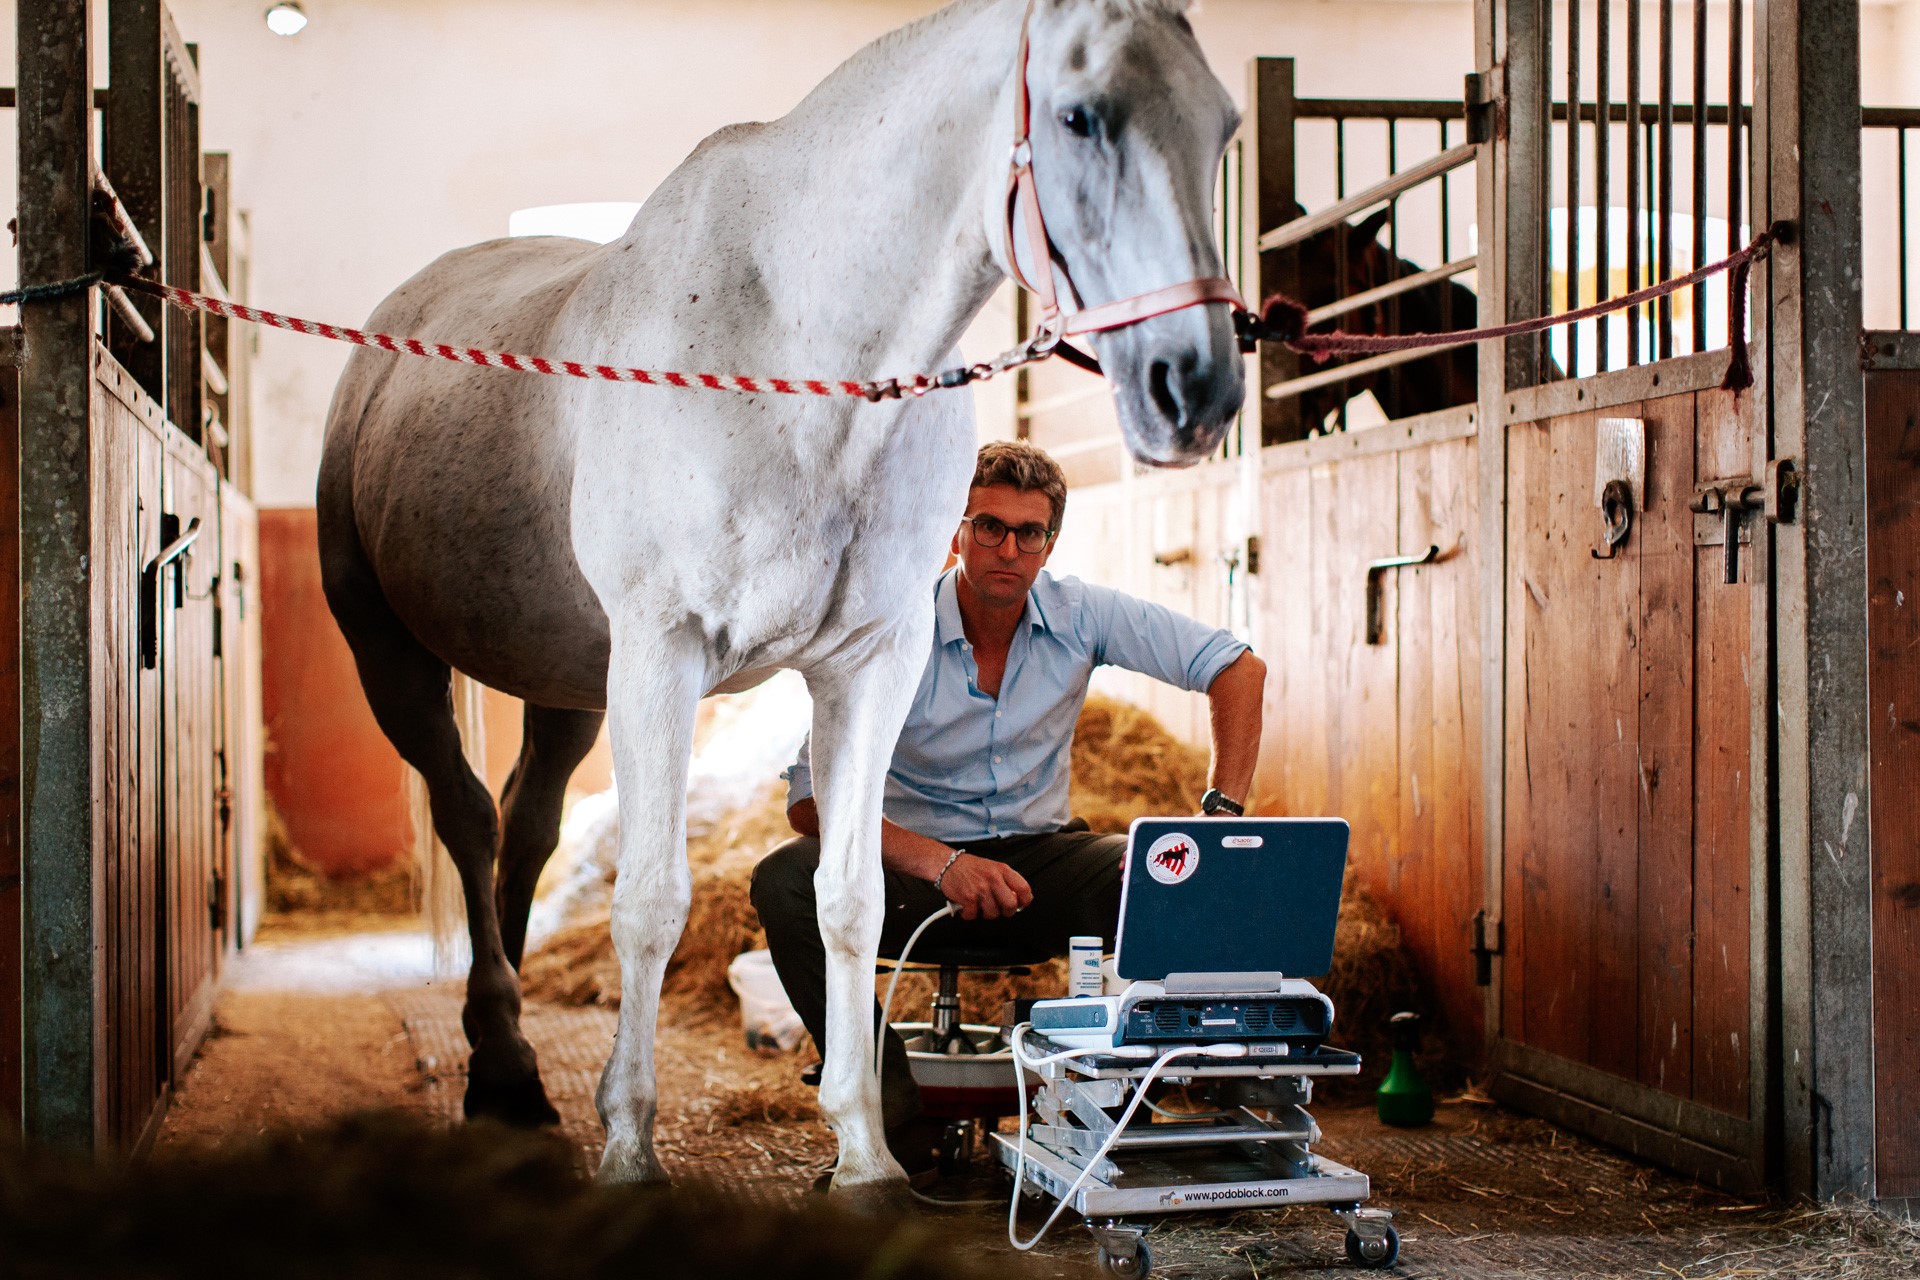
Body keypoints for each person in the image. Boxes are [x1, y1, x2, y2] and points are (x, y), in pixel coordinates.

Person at [749, 440, 1267, 1180]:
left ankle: (1115, 1116)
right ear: (955, 531)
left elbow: (1237, 668)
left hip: (1037, 864)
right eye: (988, 526)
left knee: (1161, 870)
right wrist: (941, 863)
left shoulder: (1081, 611)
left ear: (1050, 542)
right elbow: (811, 800)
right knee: (784, 882)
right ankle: (890, 1122)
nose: (1009, 548)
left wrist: (1219, 820)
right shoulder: (890, 625)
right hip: (907, 872)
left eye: (1030, 533)